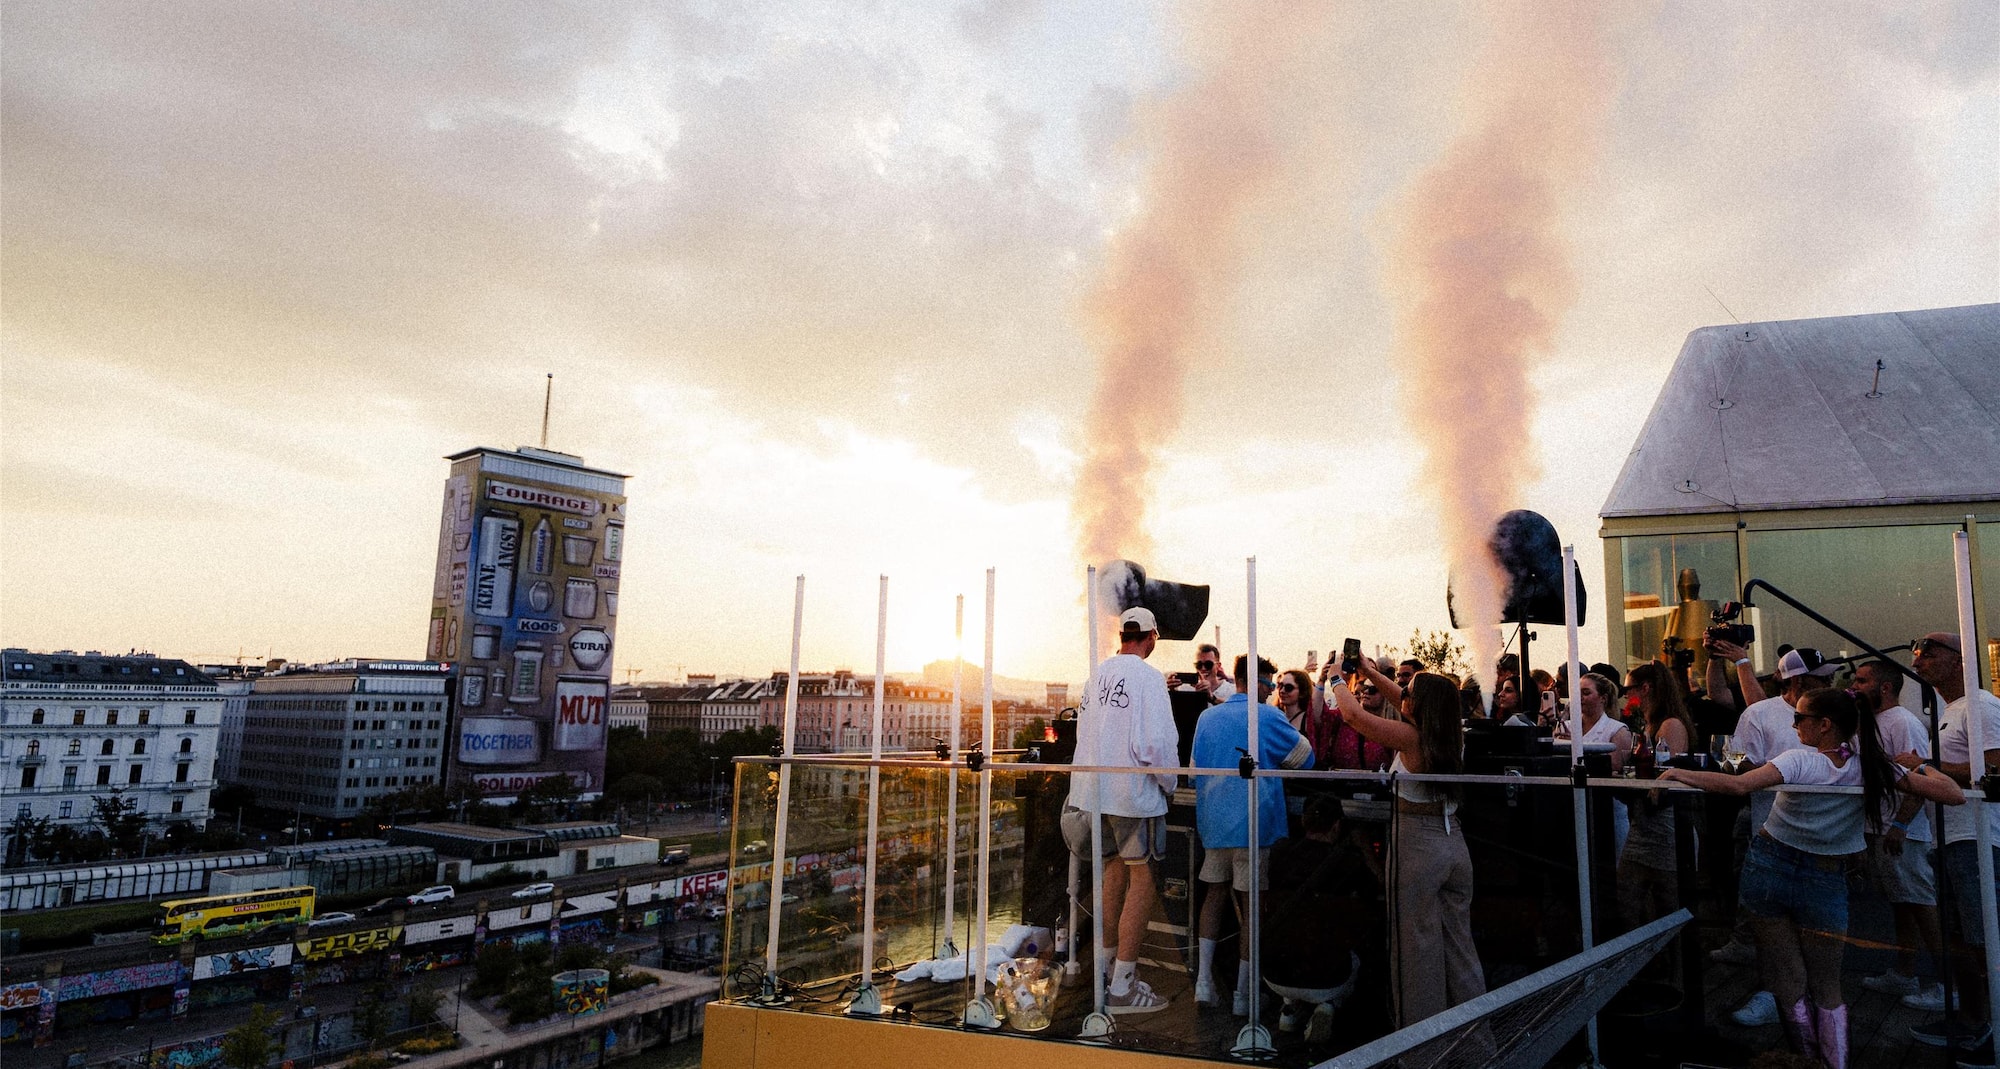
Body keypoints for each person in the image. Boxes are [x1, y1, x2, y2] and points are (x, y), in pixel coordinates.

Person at [1660, 689, 1964, 1069]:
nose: (1793, 725)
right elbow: (1953, 795)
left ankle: (1805, 1063)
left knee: (1788, 981)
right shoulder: (1871, 767)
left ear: (1824, 725)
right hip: (1825, 875)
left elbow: (1738, 785)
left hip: (1770, 866)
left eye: (1799, 718)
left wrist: (1677, 772)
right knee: (1828, 985)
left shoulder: (1799, 760)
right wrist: (1922, 766)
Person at [1327, 661, 1486, 1027]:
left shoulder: (1412, 739)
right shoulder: (1450, 735)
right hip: (1453, 841)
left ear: (1420, 705)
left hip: (1417, 845)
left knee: (1415, 952)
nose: (1402, 696)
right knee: (1459, 950)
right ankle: (1475, 1040)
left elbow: (1352, 716)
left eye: (1409, 693)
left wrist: (1336, 677)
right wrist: (1368, 671)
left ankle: (1420, 1044)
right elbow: (1403, 696)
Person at [1061, 607, 1181, 1014]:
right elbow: (1155, 746)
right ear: (1151, 636)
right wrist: (1170, 785)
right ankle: (1124, 986)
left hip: (1092, 793)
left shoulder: (1096, 675)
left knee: (1111, 874)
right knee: (1142, 881)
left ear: (1123, 636)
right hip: (1132, 795)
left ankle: (1106, 969)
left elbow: (1083, 734)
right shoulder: (1149, 678)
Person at [1709, 644, 1835, 1019]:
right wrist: (1768, 772)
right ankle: (1771, 993)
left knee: (1817, 926)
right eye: (1823, 678)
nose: (1831, 682)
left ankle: (1813, 998)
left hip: (1825, 837)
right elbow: (1734, 764)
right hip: (1771, 833)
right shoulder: (1759, 713)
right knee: (1772, 923)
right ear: (1797, 681)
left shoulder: (1836, 714)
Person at [1191, 655, 1314, 1014]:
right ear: (1258, 682)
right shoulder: (1268, 716)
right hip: (1253, 825)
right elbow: (1305, 759)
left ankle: (1203, 984)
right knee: (1252, 909)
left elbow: (1194, 772)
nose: (1272, 691)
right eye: (1270, 684)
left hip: (1214, 824)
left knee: (1213, 897)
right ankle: (1244, 995)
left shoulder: (1206, 717)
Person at [1906, 632, 2000, 1061]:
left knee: (1982, 939)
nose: (1918, 658)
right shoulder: (1953, 711)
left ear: (1961, 660)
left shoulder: (1981, 706)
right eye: (1916, 652)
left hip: (1976, 838)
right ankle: (1973, 1022)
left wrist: (1924, 765)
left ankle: (1991, 1032)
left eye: (1929, 650)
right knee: (1959, 937)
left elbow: (1994, 769)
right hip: (1949, 839)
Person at [1849, 658, 1947, 1011]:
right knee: (1901, 904)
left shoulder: (1903, 722)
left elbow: (1919, 779)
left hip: (1902, 832)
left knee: (1921, 904)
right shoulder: (1870, 722)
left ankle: (1947, 986)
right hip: (1881, 828)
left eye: (1862, 681)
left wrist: (1902, 825)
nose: (1854, 686)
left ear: (1885, 687)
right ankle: (1905, 972)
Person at [1262, 795, 1381, 1044]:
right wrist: (1366, 850)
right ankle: (1328, 1006)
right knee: (1354, 952)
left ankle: (1289, 1009)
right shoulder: (1349, 863)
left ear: (1303, 822)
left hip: (1273, 974)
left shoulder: (1279, 853)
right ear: (1337, 826)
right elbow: (1381, 889)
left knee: (1292, 932)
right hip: (1328, 978)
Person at [1619, 662, 1695, 972]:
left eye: (1629, 690)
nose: (1626, 697)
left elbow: (1666, 783)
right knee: (1627, 900)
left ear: (1645, 689)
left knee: (1669, 906)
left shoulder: (1670, 725)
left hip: (1666, 826)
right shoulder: (1650, 725)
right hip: (1644, 825)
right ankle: (1642, 969)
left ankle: (1677, 976)